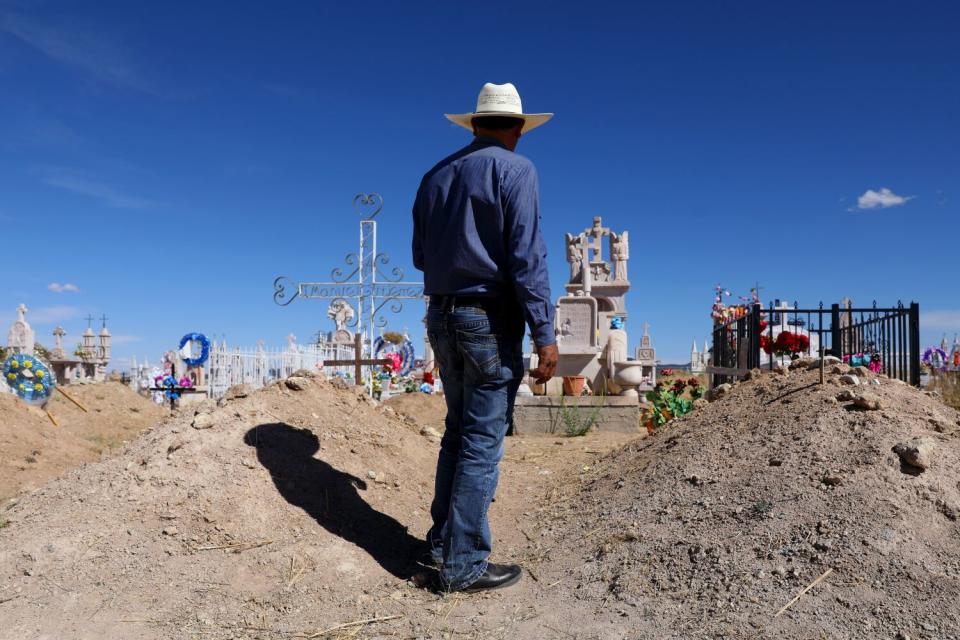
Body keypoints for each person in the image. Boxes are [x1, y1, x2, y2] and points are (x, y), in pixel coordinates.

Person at [412, 82, 559, 593]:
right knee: (480, 443)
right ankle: (464, 564)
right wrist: (545, 332)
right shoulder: (517, 170)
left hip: (442, 313)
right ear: (518, 128)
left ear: (473, 124)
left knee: (457, 433)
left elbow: (419, 257)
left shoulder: (435, 176)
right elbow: (526, 257)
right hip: (488, 319)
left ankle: (441, 546)